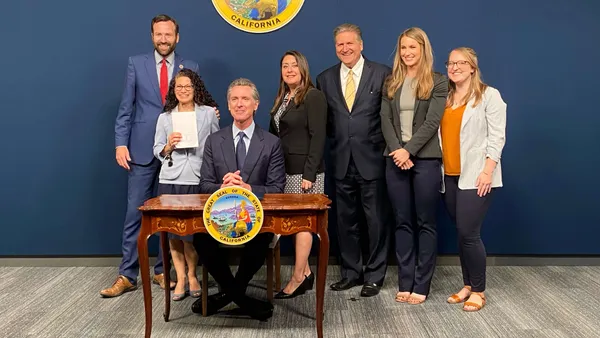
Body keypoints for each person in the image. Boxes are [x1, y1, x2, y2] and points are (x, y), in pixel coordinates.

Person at [101, 14, 218, 298]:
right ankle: (127, 275)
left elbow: (199, 102)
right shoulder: (136, 64)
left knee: (173, 217)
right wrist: (120, 144)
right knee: (135, 214)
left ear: (177, 37)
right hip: (142, 150)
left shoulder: (190, 66)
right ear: (152, 36)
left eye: (168, 35)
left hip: (180, 156)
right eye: (158, 34)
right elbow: (126, 108)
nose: (163, 39)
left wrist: (212, 110)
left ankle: (163, 270)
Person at [191, 78, 286, 320]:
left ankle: (228, 294)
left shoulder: (272, 143)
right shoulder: (214, 141)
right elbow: (204, 184)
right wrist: (223, 186)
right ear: (228, 104)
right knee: (201, 239)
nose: (239, 104)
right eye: (234, 99)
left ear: (256, 104)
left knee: (260, 238)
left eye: (245, 99)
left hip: (255, 218)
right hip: (219, 216)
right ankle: (242, 299)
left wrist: (248, 189)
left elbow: (276, 188)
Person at [316, 23, 391, 297]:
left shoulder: (382, 74)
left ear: (361, 45)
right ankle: (351, 272)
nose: (345, 49)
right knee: (345, 221)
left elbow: (390, 117)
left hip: (372, 160)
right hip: (339, 160)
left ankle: (374, 275)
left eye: (350, 43)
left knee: (376, 221)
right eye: (340, 45)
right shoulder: (324, 79)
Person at [380, 27, 448, 305]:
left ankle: (422, 284)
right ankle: (405, 281)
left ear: (423, 50)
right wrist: (398, 150)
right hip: (395, 159)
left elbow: (433, 122)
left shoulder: (438, 81)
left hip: (426, 160)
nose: (407, 53)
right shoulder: (391, 82)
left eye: (413, 48)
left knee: (425, 223)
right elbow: (384, 119)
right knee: (402, 222)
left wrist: (408, 150)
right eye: (404, 48)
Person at [442, 47, 506, 312]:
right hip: (450, 176)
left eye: (461, 63)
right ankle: (467, 285)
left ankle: (478, 290)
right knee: (461, 233)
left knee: (469, 233)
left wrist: (487, 171)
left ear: (472, 67)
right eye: (450, 63)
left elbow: (497, 136)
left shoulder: (489, 96)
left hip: (477, 176)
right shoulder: (445, 97)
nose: (454, 67)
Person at [152, 69, 220, 301]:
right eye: (178, 87)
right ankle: (180, 277)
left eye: (187, 86)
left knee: (193, 233)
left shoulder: (209, 114)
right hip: (170, 178)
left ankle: (193, 275)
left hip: (197, 177)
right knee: (173, 233)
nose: (183, 90)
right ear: (173, 90)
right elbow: (157, 149)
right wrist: (169, 146)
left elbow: (216, 145)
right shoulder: (165, 118)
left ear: (195, 88)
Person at [268, 50, 327, 299]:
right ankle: (307, 272)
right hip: (285, 170)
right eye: (285, 66)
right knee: (292, 224)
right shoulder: (283, 98)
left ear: (303, 68)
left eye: (294, 65)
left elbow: (318, 137)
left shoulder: (313, 97)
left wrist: (309, 174)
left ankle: (298, 276)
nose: (289, 69)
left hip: (305, 172)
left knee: (303, 224)